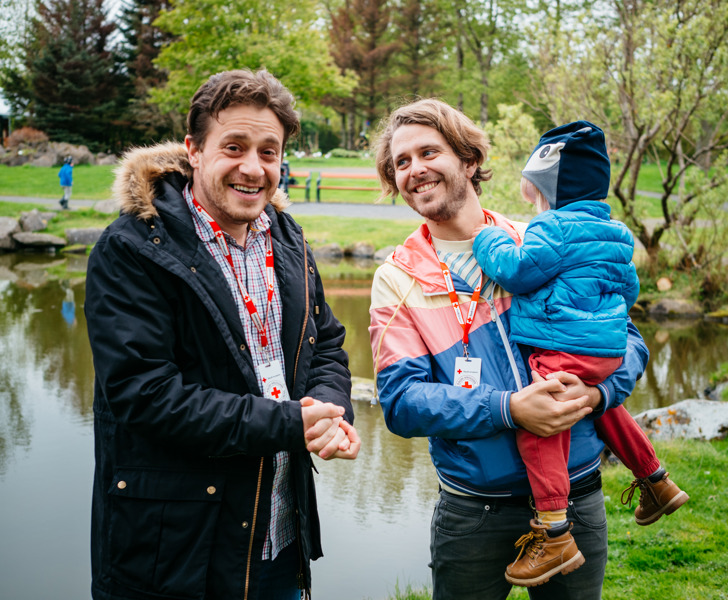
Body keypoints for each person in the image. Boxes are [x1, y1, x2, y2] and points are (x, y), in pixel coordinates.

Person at [84, 69, 360, 600]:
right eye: (234, 147)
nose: (253, 168)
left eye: (268, 152)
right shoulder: (132, 249)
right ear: (194, 150)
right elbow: (145, 395)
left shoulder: (288, 237)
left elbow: (324, 342)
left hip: (280, 535)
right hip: (175, 556)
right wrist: (290, 423)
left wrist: (328, 410)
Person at [369, 98, 649, 600]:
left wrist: (598, 396)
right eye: (401, 162)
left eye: (429, 152)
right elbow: (402, 402)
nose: (414, 169)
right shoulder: (396, 278)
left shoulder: (538, 241)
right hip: (473, 512)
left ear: (469, 160)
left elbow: (628, 341)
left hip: (576, 496)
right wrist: (508, 409)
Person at [472, 121, 689, 587]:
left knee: (542, 425)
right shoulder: (617, 232)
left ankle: (554, 532)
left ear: (549, 187)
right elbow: (628, 291)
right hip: (606, 350)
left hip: (563, 346)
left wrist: (486, 237)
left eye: (533, 189)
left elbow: (516, 271)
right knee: (600, 407)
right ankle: (656, 479)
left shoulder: (554, 227)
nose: (530, 199)